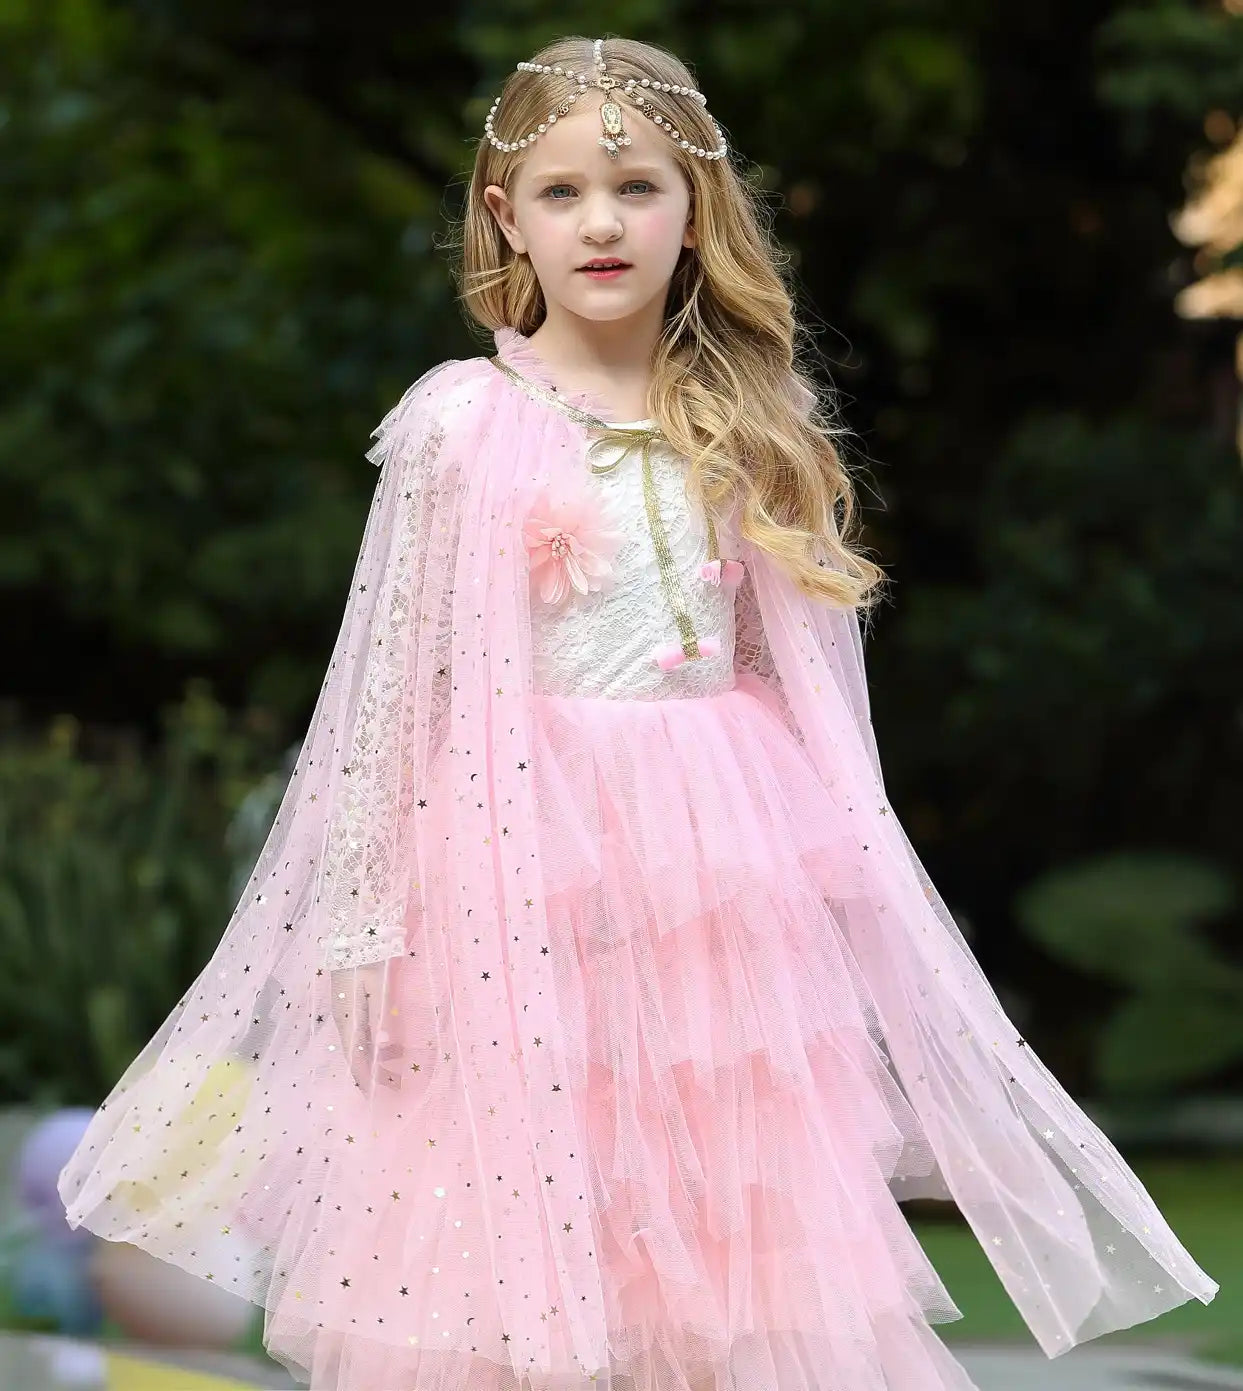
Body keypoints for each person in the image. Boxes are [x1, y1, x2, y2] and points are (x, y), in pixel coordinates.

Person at [58, 33, 1217, 1391]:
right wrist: (365, 920)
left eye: (638, 189)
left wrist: (839, 884)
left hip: (723, 869)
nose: (601, 223)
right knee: (523, 1209)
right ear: (505, 215)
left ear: (697, 209)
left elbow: (803, 680)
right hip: (511, 866)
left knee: (723, 1220)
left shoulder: (746, 414)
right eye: (560, 194)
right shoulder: (461, 423)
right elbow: (387, 691)